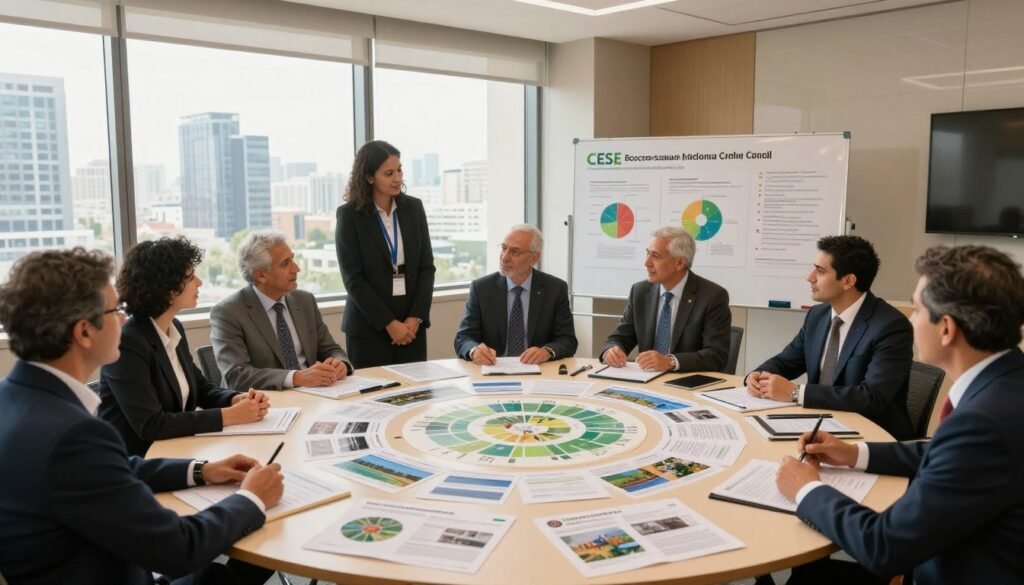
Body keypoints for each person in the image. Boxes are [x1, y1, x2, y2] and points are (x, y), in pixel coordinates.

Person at [0, 248, 283, 585]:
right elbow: (179, 548)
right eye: (115, 310)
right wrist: (250, 498)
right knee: (248, 553)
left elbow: (113, 468)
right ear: (84, 332)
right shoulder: (73, 434)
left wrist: (202, 470)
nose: (123, 318)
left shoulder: (15, 398)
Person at [776, 245, 1024, 585]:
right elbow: (944, 451)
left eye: (918, 310)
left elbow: (883, 546)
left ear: (947, 329)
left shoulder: (984, 421)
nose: (910, 319)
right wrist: (854, 453)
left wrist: (806, 490)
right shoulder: (1007, 382)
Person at [98, 237, 271, 456]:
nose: (199, 282)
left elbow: (201, 390)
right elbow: (151, 425)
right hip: (136, 464)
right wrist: (231, 415)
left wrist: (235, 399)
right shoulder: (128, 342)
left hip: (177, 451)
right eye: (190, 278)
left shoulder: (172, 327)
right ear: (167, 288)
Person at [746, 235, 915, 439]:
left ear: (848, 281)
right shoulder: (818, 315)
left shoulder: (890, 326)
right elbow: (786, 362)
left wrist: (796, 392)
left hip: (871, 436)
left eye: (820, 271)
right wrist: (757, 376)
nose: (810, 277)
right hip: (819, 426)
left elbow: (872, 398)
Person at [336, 140, 435, 368]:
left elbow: (426, 268)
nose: (398, 178)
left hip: (411, 326)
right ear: (370, 177)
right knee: (373, 396)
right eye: (389, 173)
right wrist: (389, 324)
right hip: (369, 326)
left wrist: (415, 318)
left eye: (399, 170)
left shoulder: (414, 208)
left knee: (416, 394)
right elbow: (353, 279)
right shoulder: (350, 215)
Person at [211, 230, 351, 392]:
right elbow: (237, 375)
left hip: (316, 394)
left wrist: (340, 363)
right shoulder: (228, 312)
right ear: (261, 275)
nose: (296, 268)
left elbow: (331, 349)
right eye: (285, 264)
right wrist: (296, 377)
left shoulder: (305, 301)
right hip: (267, 402)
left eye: (293, 259)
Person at [600, 226, 731, 373]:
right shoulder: (640, 292)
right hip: (647, 380)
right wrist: (612, 350)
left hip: (686, 384)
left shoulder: (712, 297)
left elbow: (716, 355)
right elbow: (620, 337)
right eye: (647, 254)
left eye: (655, 256)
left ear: (680, 263)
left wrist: (670, 361)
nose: (647, 263)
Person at [454, 225, 577, 365]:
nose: (504, 257)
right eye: (504, 248)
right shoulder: (481, 288)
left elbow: (568, 340)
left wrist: (546, 351)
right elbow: (463, 337)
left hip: (538, 370)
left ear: (534, 258)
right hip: (493, 368)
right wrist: (474, 350)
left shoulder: (555, 289)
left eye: (515, 252)